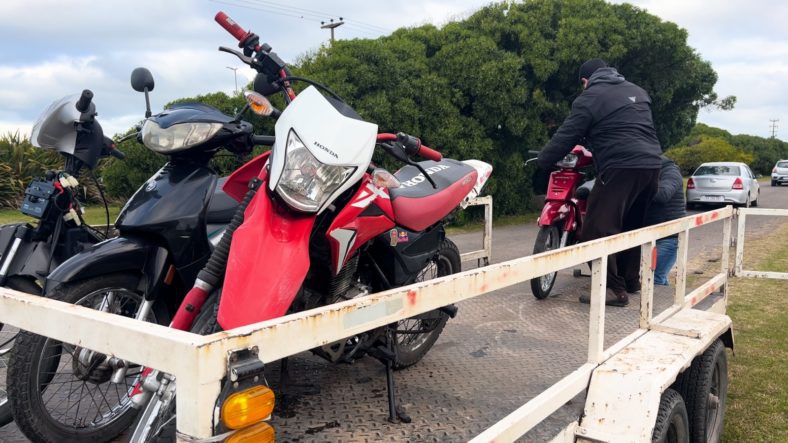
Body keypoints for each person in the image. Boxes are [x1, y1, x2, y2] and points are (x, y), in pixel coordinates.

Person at [537, 58, 662, 307]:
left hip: (620, 166)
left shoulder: (590, 97)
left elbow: (568, 134)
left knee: (595, 229)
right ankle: (629, 281)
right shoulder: (637, 91)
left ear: (585, 81)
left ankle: (612, 290)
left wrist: (543, 161)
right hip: (651, 165)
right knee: (631, 226)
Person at [645, 156, 686, 285]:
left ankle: (658, 304)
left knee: (655, 278)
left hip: (668, 236)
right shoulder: (653, 171)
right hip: (651, 234)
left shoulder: (670, 172)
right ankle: (666, 303)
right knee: (658, 277)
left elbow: (662, 195)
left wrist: (635, 187)